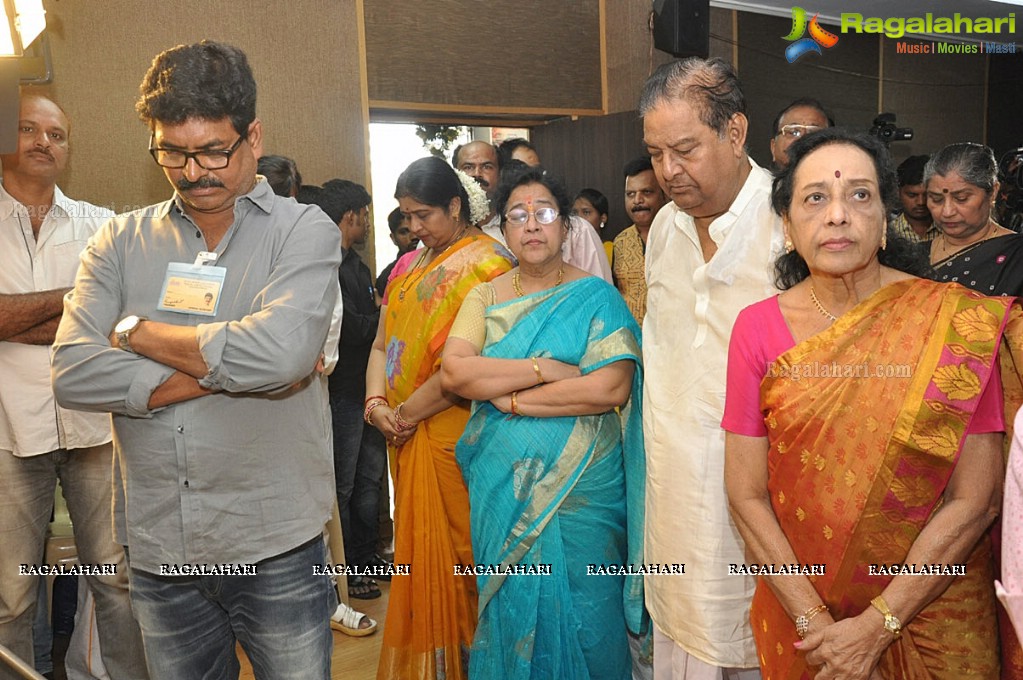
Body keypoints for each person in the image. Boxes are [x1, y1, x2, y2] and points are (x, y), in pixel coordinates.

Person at [51, 41, 341, 678]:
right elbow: (72, 371)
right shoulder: (120, 241)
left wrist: (135, 331)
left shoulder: (303, 230)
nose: (193, 172)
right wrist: (228, 366)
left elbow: (284, 352)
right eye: (172, 153)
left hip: (274, 543)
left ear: (253, 136)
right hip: (161, 546)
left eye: (214, 150)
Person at [724, 127, 1019, 679]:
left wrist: (882, 620)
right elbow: (745, 495)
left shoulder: (951, 326)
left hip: (935, 612)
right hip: (805, 618)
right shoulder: (755, 329)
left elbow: (975, 500)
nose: (838, 215)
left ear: (886, 221)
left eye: (860, 195)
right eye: (816, 198)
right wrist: (814, 620)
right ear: (787, 226)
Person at [440, 166, 647, 679]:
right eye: (518, 215)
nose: (532, 225)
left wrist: (510, 400)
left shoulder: (597, 297)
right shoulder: (483, 298)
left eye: (545, 213)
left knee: (590, 620)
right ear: (503, 231)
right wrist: (544, 370)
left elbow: (609, 387)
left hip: (587, 496)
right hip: (502, 491)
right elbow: (456, 371)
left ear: (567, 227)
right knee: (513, 619)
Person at [641, 56, 784, 679]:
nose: (668, 172)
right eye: (654, 154)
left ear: (735, 132)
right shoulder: (663, 230)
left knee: (755, 644)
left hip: (759, 500)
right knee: (682, 638)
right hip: (672, 493)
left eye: (685, 150)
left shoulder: (788, 224)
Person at [0, 92, 148, 680]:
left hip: (96, 428)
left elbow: (116, 325)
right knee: (11, 593)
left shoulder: (102, 226)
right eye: (28, 129)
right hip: (8, 431)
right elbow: (85, 319)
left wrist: (18, 320)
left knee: (116, 581)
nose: (43, 141)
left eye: (56, 134)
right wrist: (72, 305)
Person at [365, 156, 514, 679]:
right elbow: (382, 343)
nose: (414, 227)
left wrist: (401, 414)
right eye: (407, 216)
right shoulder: (408, 264)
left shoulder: (491, 265)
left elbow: (465, 369)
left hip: (455, 433)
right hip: (402, 432)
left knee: (462, 558)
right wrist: (376, 405)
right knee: (423, 557)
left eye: (424, 214)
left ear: (456, 205)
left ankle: (478, 666)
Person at [301, 179, 389, 600]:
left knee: (370, 482)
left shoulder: (355, 263)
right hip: (340, 393)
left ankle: (368, 560)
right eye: (365, 215)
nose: (368, 224)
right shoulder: (323, 263)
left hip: (368, 389)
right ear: (350, 216)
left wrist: (376, 320)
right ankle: (346, 571)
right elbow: (351, 328)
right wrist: (386, 320)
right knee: (343, 487)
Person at [926, 142, 1023, 297]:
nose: (947, 211)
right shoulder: (913, 257)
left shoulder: (1016, 256)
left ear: (993, 192)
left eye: (961, 198)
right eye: (936, 199)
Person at [614, 157, 667, 324]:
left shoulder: (679, 233)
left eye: (647, 192)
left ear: (664, 195)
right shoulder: (620, 242)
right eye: (630, 194)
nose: (637, 200)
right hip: (632, 340)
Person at [452, 141, 502, 241]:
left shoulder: (513, 227)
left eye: (487, 167)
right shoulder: (442, 232)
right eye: (468, 167)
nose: (477, 174)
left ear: (500, 174)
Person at [769, 97, 833, 170]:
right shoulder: (759, 180)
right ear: (773, 148)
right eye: (793, 132)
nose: (803, 138)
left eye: (813, 133)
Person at [890, 154, 938, 242]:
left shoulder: (950, 230)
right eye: (912, 195)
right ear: (898, 192)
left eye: (927, 195)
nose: (921, 202)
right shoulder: (889, 234)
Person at [375, 207, 419, 298]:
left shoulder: (441, 263)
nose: (414, 237)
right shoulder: (387, 277)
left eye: (416, 229)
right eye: (404, 232)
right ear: (393, 238)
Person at [572, 188, 615, 262]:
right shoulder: (566, 249)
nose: (578, 218)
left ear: (603, 218)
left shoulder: (612, 250)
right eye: (575, 213)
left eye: (586, 212)